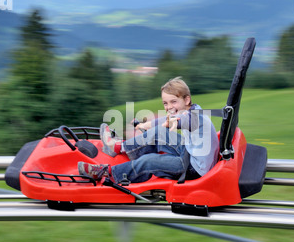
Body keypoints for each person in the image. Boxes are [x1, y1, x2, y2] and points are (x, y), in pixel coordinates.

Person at [78, 77, 219, 183]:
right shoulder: (192, 109)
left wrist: (175, 122)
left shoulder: (195, 117)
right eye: (165, 103)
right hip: (190, 153)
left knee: (149, 160)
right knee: (159, 132)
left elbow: (184, 121)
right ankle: (117, 147)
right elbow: (165, 121)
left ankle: (107, 173)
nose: (169, 106)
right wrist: (145, 125)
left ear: (187, 100)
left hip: (194, 168)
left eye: (173, 101)